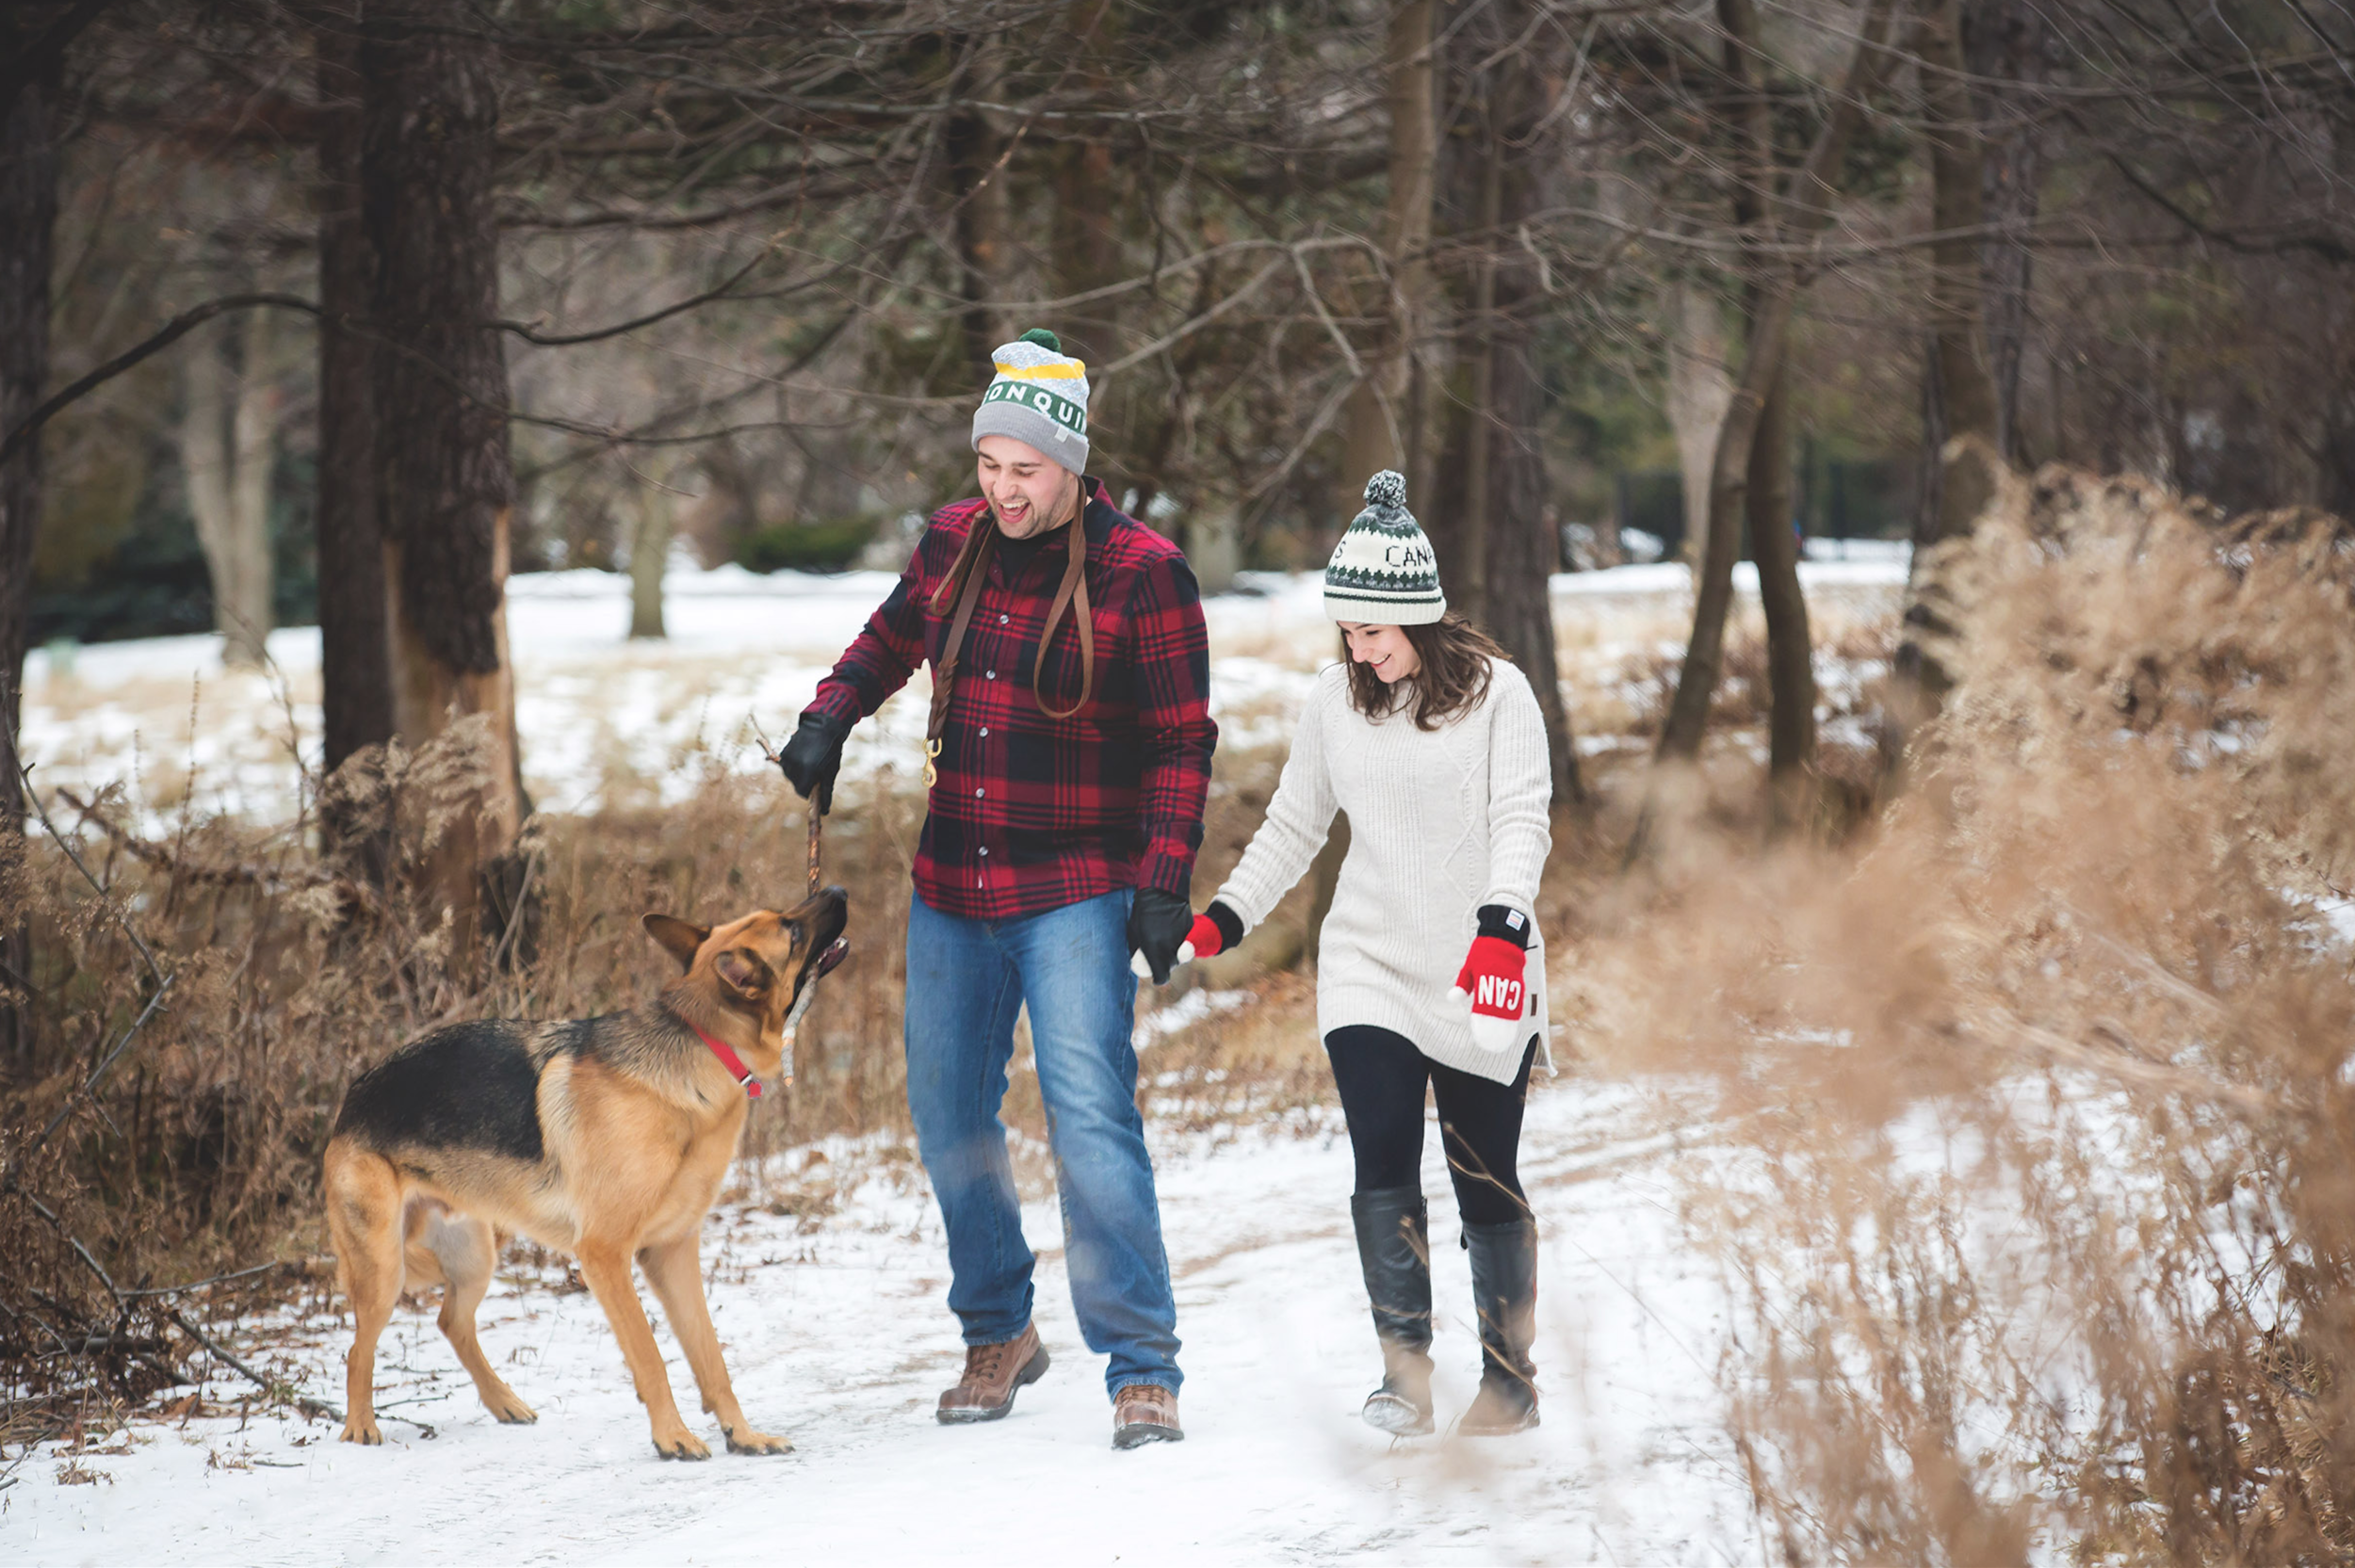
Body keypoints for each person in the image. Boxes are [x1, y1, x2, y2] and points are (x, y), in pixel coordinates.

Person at [775, 329, 1214, 1450]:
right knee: (947, 1111)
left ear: (1071, 462)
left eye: (1026, 470)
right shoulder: (954, 543)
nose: (1004, 489)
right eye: (989, 465)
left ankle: (1140, 1367)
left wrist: (1163, 883)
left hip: (1075, 883)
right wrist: (832, 712)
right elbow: (885, 640)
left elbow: (1178, 741)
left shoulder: (1144, 572)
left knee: (1087, 1113)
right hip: (954, 881)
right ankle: (999, 1331)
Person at [1172, 471, 1551, 1437]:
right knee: (1382, 1158)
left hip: (1482, 965)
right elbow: (1294, 825)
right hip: (1369, 963)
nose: (1358, 648)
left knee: (1483, 1174)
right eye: (1346, 631)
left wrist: (1503, 921)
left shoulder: (1500, 694)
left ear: (1418, 621)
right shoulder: (1334, 701)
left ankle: (1509, 1381)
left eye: (1373, 633)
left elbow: (1521, 817)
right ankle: (1404, 1376)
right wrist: (1222, 918)